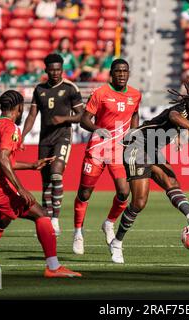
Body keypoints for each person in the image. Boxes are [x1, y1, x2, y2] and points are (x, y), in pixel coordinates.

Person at [0, 90, 81, 278]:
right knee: (42, 214)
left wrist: (31, 165)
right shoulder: (10, 127)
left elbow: (0, 160)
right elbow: (2, 158)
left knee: (1, 221)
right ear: (19, 107)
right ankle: (53, 267)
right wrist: (20, 189)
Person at [109, 87, 189, 264]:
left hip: (151, 149)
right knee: (139, 202)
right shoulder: (177, 111)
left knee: (172, 182)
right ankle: (117, 242)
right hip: (136, 146)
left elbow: (185, 128)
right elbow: (173, 118)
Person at [73, 59, 141, 255]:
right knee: (85, 193)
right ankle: (78, 231)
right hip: (97, 149)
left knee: (124, 192)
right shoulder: (100, 93)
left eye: (125, 71)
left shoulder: (135, 95)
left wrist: (134, 134)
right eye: (118, 71)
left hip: (119, 151)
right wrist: (97, 129)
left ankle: (109, 223)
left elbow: (134, 114)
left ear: (128, 73)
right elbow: (84, 120)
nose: (121, 74)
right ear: (111, 73)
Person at [22, 53, 84, 235]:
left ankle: (55, 219)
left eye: (58, 69)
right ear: (46, 70)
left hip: (63, 136)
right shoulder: (39, 89)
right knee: (46, 181)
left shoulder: (71, 88)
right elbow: (32, 115)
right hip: (44, 140)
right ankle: (46, 219)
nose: (55, 73)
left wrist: (64, 118)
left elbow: (82, 115)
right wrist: (23, 135)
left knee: (57, 172)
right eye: (52, 70)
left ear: (62, 70)